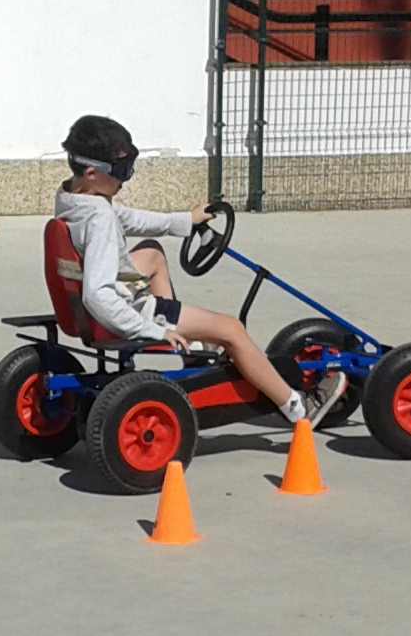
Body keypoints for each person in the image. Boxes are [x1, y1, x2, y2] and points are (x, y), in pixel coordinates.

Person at [54, 114, 349, 428]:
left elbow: (130, 220)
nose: (126, 180)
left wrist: (186, 221)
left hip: (103, 295)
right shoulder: (99, 218)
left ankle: (192, 351)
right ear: (92, 172)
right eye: (122, 171)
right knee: (232, 330)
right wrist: (156, 332)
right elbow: (97, 295)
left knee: (152, 253)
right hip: (130, 307)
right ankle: (299, 407)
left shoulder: (73, 196)